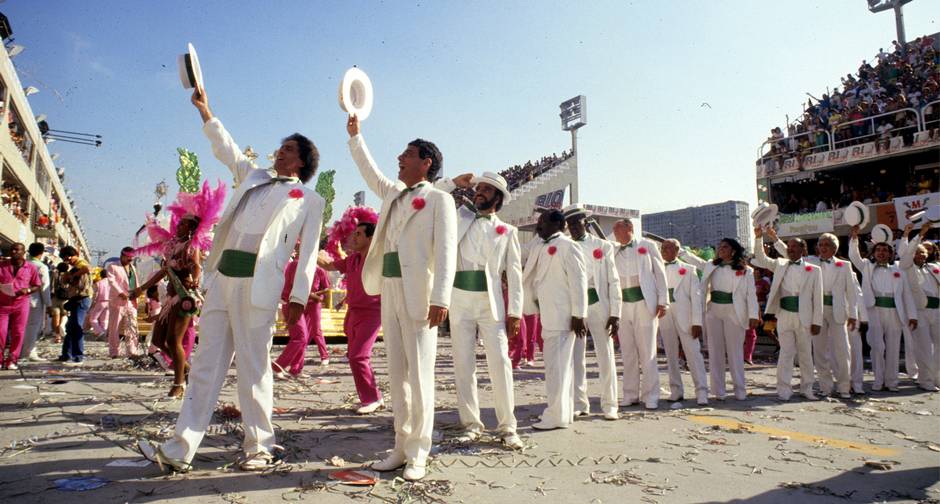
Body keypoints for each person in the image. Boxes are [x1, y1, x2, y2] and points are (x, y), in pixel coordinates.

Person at [138, 84, 324, 473]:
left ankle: (259, 447)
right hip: (223, 280)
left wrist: (297, 299)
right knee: (205, 366)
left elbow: (306, 256)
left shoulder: (309, 201)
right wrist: (206, 112)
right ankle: (180, 448)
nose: (280, 151)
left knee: (254, 368)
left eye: (288, 148)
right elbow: (227, 148)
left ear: (303, 161)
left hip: (261, 286)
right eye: (281, 146)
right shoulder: (253, 177)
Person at [346, 113, 457, 481]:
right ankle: (400, 445)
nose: (400, 158)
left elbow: (445, 254)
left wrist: (441, 298)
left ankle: (420, 452)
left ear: (426, 162)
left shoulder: (440, 201)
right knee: (397, 373)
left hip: (420, 297)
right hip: (389, 290)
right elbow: (370, 171)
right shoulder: (393, 193)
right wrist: (355, 136)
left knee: (421, 374)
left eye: (407, 154)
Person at [436, 172, 525, 448]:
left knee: (500, 363)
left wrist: (515, 312)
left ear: (497, 198)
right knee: (463, 365)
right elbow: (432, 196)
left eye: (486, 190)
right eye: (479, 188)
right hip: (459, 300)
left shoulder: (508, 231)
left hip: (491, 304)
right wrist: (454, 182)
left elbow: (515, 273)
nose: (479, 192)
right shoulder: (458, 217)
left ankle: (508, 427)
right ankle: (471, 424)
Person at [134, 181, 223, 398]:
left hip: (184, 299)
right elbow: (164, 271)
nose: (179, 225)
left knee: (174, 341)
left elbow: (196, 265)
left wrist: (194, 279)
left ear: (191, 228)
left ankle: (179, 384)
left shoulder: (190, 246)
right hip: (171, 299)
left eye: (183, 224)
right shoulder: (173, 246)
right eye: (180, 223)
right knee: (157, 342)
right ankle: (187, 371)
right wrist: (141, 288)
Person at [769, 229, 859, 398]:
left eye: (827, 245)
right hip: (814, 312)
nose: (823, 248)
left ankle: (844, 387)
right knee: (819, 351)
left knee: (842, 350)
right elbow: (789, 252)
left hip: (837, 311)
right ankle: (825, 387)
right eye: (821, 245)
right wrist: (775, 239)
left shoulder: (844, 265)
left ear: (835, 248)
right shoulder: (810, 262)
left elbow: (851, 292)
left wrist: (853, 314)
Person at [523, 209, 588, 430]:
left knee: (556, 368)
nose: (537, 226)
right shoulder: (538, 245)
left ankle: (555, 416)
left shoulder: (569, 246)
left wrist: (579, 314)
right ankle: (563, 413)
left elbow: (579, 282)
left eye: (541, 222)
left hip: (564, 316)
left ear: (556, 225)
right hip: (547, 314)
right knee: (559, 367)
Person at [680, 239, 759, 401]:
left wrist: (753, 314)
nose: (721, 249)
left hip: (734, 311)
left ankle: (740, 389)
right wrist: (681, 251)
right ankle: (719, 391)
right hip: (714, 311)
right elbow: (696, 261)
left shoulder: (746, 271)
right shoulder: (711, 265)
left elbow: (751, 295)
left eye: (725, 247)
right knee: (715, 352)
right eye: (719, 247)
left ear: (734, 250)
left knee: (735, 352)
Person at [319, 219, 383, 414]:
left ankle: (371, 398)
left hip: (373, 313)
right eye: (353, 233)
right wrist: (308, 247)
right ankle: (374, 396)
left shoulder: (378, 258)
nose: (353, 237)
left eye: (358, 234)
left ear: (371, 238)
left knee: (359, 356)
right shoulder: (352, 259)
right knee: (355, 356)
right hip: (353, 312)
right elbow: (329, 265)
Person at [563, 204, 622, 419]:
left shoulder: (603, 246)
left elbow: (614, 281)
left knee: (605, 354)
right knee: (576, 356)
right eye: (569, 224)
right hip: (576, 306)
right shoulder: (566, 245)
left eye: (576, 223)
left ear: (585, 222)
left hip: (599, 304)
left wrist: (615, 312)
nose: (573, 227)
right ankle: (580, 402)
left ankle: (610, 404)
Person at [753, 228, 823, 401]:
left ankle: (807, 389)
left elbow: (818, 297)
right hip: (784, 315)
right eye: (789, 246)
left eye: (794, 246)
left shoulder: (814, 270)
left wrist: (817, 321)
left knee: (806, 354)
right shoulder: (780, 264)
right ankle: (784, 389)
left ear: (803, 250)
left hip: (805, 317)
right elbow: (761, 259)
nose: (790, 249)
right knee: (786, 353)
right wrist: (758, 238)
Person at [848, 225, 917, 392]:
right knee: (877, 346)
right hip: (874, 310)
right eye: (878, 250)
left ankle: (891, 382)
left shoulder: (899, 269)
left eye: (885, 250)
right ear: (873, 252)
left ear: (890, 253)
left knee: (893, 348)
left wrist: (912, 315)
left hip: (895, 311)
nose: (881, 253)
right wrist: (855, 237)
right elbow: (853, 256)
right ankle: (878, 381)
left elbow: (906, 294)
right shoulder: (867, 266)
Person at [611, 218, 668, 410]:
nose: (614, 232)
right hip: (623, 305)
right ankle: (630, 394)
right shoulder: (613, 249)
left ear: (629, 228)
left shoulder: (647, 245)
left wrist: (663, 301)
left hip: (644, 302)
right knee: (627, 351)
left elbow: (660, 273)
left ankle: (651, 395)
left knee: (647, 350)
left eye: (617, 228)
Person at [658, 239, 708, 405]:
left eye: (667, 248)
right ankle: (676, 390)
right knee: (671, 355)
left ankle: (701, 391)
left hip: (685, 316)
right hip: (665, 315)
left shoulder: (689, 269)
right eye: (662, 248)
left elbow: (696, 297)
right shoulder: (657, 268)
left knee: (693, 353)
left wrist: (697, 322)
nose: (664, 250)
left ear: (677, 250)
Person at [272, 255, 331, 378]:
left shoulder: (318, 270)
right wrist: (312, 296)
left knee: (308, 335)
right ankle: (278, 365)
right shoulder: (295, 265)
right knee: (301, 337)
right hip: (294, 303)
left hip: (309, 304)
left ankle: (296, 369)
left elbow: (326, 288)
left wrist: (318, 296)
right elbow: (294, 287)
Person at [898, 222, 939, 391]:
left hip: (937, 310)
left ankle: (937, 378)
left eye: (924, 253)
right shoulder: (907, 267)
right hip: (920, 311)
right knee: (923, 348)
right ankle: (925, 380)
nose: (922, 255)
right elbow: (906, 252)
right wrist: (920, 234)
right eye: (918, 252)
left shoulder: (934, 268)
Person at [0, 243, 42, 369]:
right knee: (1, 332)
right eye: (12, 249)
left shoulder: (31, 267)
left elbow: (37, 284)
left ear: (24, 252)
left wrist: (28, 290)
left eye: (17, 250)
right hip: (3, 303)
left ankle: (12, 360)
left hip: (21, 303)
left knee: (18, 332)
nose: (14, 252)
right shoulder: (2, 265)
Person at [56, 246, 92, 365]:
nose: (69, 260)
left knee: (76, 327)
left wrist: (72, 275)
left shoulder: (80, 263)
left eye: (69, 257)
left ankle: (78, 355)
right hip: (74, 299)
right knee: (70, 328)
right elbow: (65, 282)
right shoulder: (71, 268)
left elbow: (86, 268)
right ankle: (66, 354)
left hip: (82, 298)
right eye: (66, 259)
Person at [106, 247, 141, 358]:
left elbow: (136, 283)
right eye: (128, 257)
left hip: (131, 301)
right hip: (118, 301)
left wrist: (138, 293)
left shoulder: (133, 268)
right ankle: (114, 351)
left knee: (132, 326)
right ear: (122, 255)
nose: (130, 259)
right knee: (114, 327)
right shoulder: (112, 266)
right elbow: (112, 281)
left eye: (132, 257)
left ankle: (132, 351)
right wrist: (120, 292)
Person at [22, 243, 51, 362]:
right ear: (41, 253)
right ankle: (28, 352)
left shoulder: (23, 264)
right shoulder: (41, 267)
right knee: (33, 327)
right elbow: (45, 287)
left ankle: (21, 351)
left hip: (20, 299)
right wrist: (48, 304)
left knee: (20, 327)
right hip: (35, 300)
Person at [85, 268, 110, 337]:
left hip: (101, 302)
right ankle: (104, 332)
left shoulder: (99, 283)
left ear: (101, 275)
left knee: (93, 318)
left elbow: (95, 294)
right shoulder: (112, 283)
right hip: (110, 302)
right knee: (104, 319)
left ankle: (100, 332)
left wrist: (93, 302)